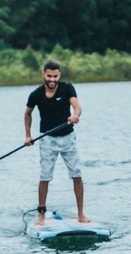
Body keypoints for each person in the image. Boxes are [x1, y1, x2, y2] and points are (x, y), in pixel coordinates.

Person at [24, 60, 90, 226]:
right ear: (43, 75)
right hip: (47, 139)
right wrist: (28, 136)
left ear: (59, 75)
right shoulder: (36, 94)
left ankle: (81, 214)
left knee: (76, 174)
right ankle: (41, 215)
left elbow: (77, 106)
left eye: (55, 76)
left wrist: (75, 115)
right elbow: (27, 113)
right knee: (45, 176)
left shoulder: (67, 88)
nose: (52, 80)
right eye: (49, 76)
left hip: (68, 138)